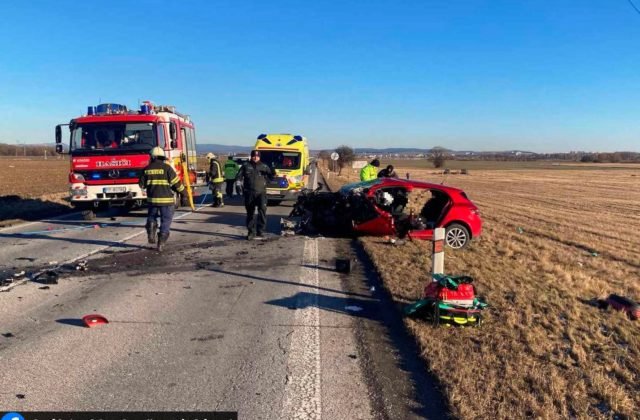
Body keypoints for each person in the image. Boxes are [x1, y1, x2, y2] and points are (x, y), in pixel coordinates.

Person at [139, 147, 185, 251]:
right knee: (166, 221)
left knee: (151, 217)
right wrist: (184, 193)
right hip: (166, 201)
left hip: (152, 200)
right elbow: (176, 184)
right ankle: (161, 243)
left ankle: (151, 234)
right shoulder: (167, 168)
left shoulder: (146, 169)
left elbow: (141, 185)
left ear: (152, 157)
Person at [235, 149, 274, 240]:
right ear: (251, 156)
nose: (255, 157)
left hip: (261, 193)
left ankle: (260, 231)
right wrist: (237, 184)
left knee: (262, 212)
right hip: (249, 193)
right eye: (254, 156)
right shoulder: (245, 166)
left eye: (257, 156)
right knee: (250, 213)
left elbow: (271, 177)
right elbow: (239, 176)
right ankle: (251, 232)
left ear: (259, 157)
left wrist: (271, 174)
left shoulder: (264, 166)